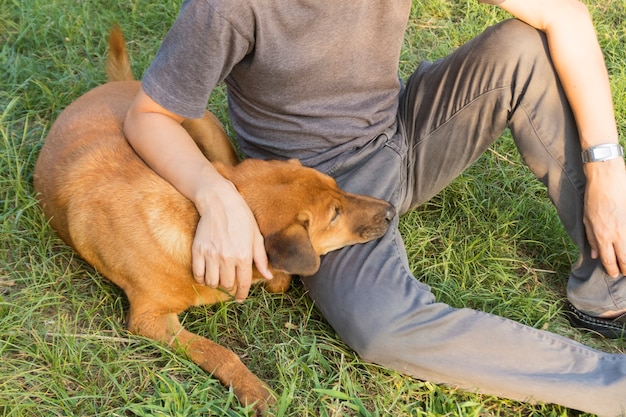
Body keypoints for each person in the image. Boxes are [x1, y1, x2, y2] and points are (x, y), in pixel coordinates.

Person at [123, 0, 626, 415]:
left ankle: (612, 284)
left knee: (524, 46)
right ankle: (612, 384)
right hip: (321, 191)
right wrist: (216, 195)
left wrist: (605, 165)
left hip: (408, 127)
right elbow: (147, 117)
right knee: (383, 325)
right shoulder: (226, 8)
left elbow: (566, 16)